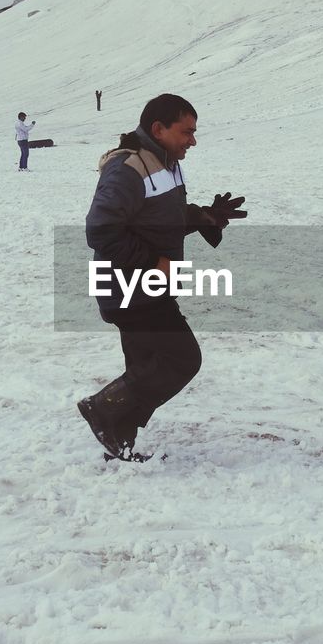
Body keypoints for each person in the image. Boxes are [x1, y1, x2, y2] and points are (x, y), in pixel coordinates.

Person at [79, 93, 247, 461]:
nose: (193, 140)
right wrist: (153, 263)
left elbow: (156, 217)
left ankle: (119, 445)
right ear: (159, 128)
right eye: (186, 132)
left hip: (143, 286)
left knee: (143, 368)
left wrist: (206, 217)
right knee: (182, 359)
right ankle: (102, 408)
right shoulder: (128, 168)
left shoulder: (162, 162)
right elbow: (101, 230)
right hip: (129, 287)